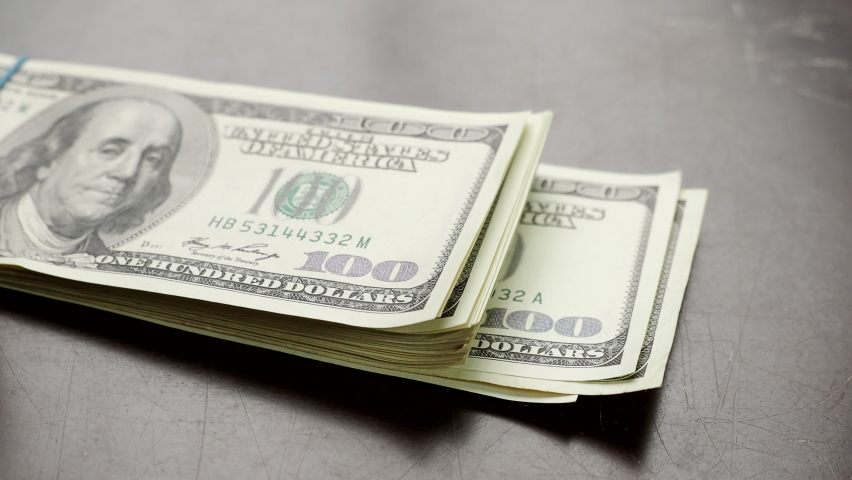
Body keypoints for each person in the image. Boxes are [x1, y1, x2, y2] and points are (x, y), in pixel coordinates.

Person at [0, 97, 182, 263]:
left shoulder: (105, 267)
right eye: (110, 151)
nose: (128, 172)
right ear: (50, 158)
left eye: (153, 160)